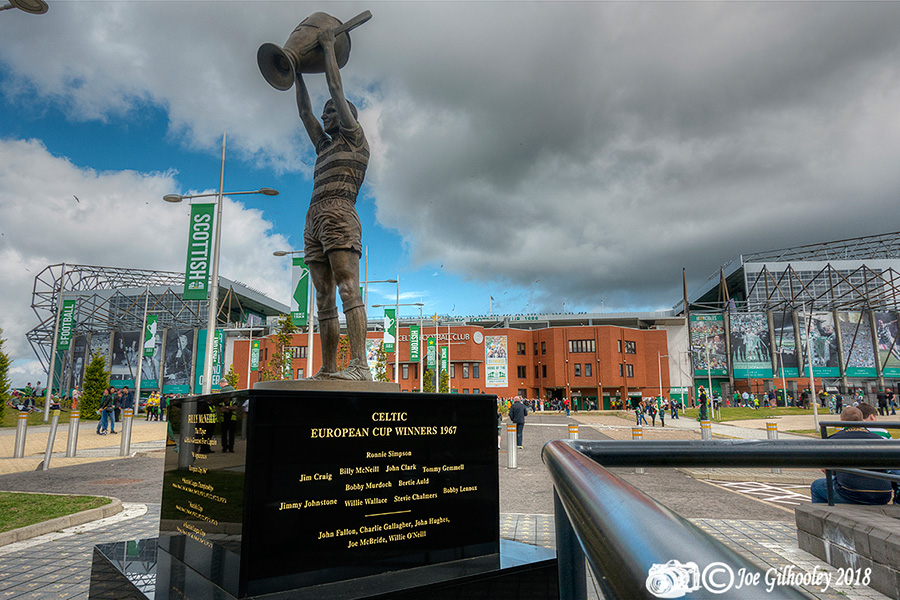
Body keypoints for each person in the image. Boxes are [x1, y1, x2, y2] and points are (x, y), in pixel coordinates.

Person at [294, 28, 371, 381]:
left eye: (331, 112)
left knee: (347, 287)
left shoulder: (354, 140)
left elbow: (336, 90)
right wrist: (294, 70)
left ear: (344, 115)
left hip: (340, 212)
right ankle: (328, 368)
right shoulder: (324, 147)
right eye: (325, 113)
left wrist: (328, 50)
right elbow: (304, 113)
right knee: (323, 296)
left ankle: (360, 365)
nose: (325, 117)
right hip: (314, 217)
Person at [810, 406, 893, 505]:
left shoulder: (834, 439)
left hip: (851, 493)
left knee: (817, 486)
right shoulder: (878, 439)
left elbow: (825, 468)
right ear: (862, 420)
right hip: (883, 494)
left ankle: (824, 512)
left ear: (842, 420)